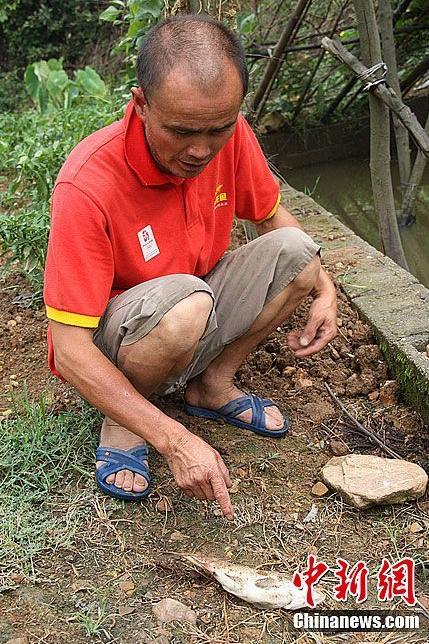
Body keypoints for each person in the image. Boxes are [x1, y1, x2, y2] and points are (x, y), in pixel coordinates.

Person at [44, 14, 337, 520]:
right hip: (129, 332)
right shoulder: (88, 183)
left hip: (193, 300)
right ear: (140, 104)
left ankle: (212, 383)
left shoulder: (229, 135)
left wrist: (325, 288)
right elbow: (69, 351)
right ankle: (127, 422)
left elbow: (270, 216)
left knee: (298, 252)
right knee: (186, 304)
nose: (201, 150)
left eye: (219, 129)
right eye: (181, 132)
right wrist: (174, 439)